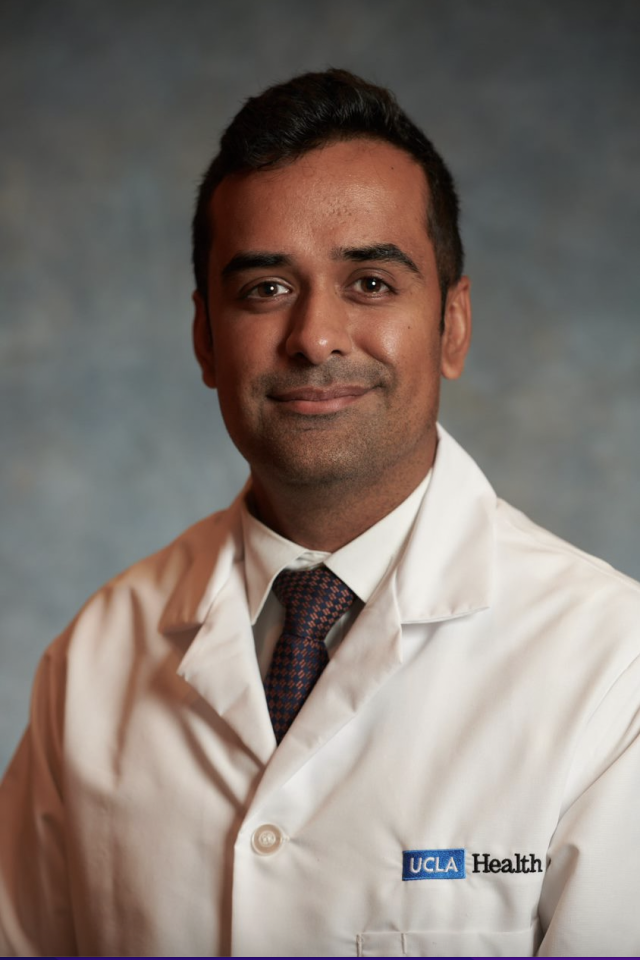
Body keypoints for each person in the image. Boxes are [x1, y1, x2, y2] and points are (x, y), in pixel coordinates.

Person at [1, 68, 639, 959]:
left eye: (371, 283)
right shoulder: (93, 660)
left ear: (453, 326)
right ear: (204, 340)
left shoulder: (612, 668)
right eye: (265, 289)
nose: (314, 336)